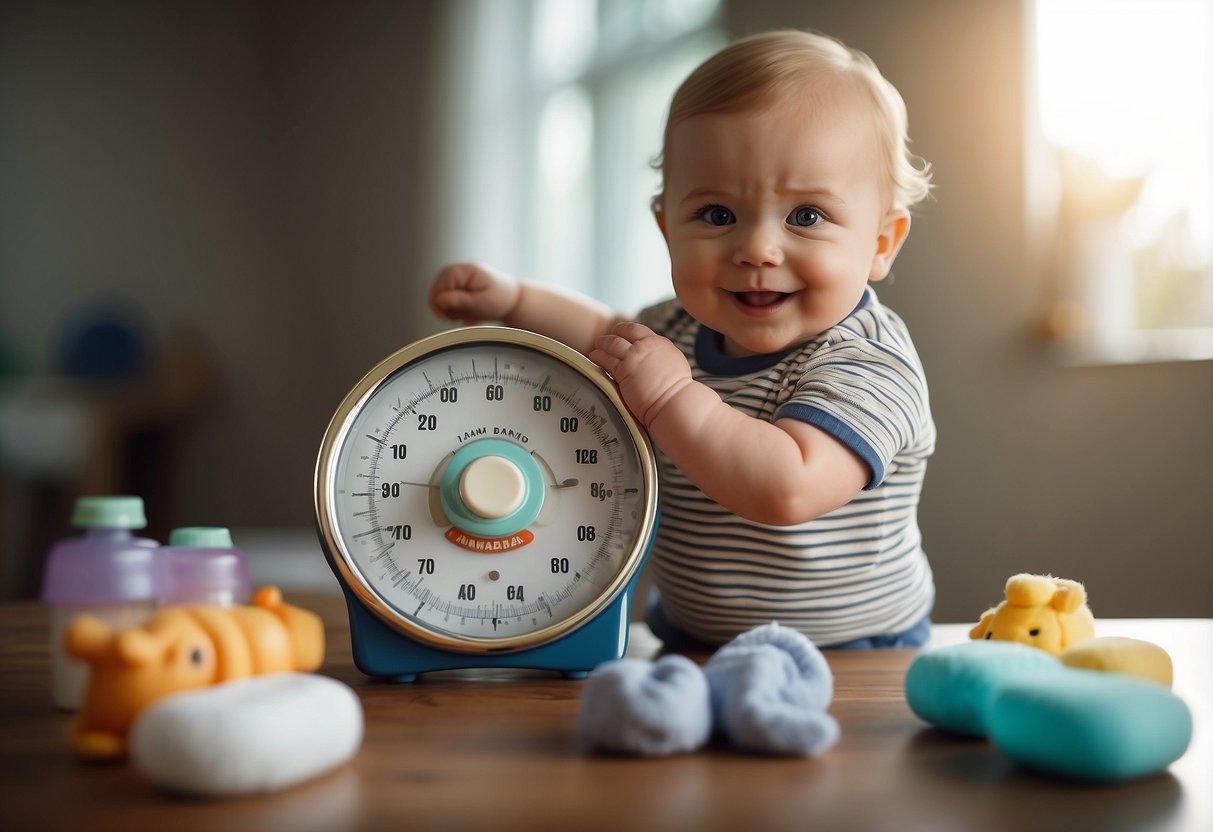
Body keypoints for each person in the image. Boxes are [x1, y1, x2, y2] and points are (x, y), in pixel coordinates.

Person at [428, 29, 935, 650]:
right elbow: (600, 333)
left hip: (851, 651)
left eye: (806, 216)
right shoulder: (677, 328)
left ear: (881, 243)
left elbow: (788, 485)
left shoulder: (867, 361)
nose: (757, 248)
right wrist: (514, 301)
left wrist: (671, 399)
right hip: (694, 637)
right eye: (718, 215)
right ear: (668, 228)